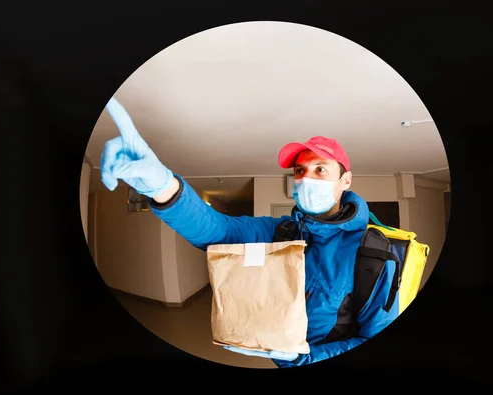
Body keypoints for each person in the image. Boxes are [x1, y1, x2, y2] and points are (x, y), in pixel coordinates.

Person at [100, 97, 399, 368]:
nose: (305, 178)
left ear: (345, 181)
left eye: (320, 169)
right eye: (299, 170)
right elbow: (218, 230)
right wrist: (163, 186)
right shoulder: (279, 231)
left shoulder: (372, 255)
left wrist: (303, 359)